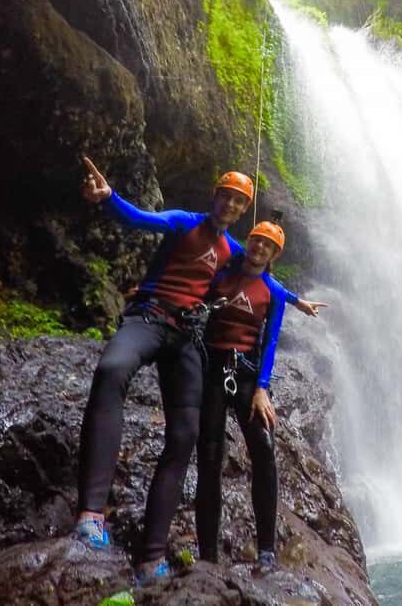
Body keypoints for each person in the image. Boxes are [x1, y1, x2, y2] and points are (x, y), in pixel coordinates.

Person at [73, 158, 324, 584]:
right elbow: (140, 219)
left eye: (239, 201)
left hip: (188, 340)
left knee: (186, 436)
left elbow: (265, 281)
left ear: (244, 210)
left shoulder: (234, 252)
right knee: (112, 370)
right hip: (150, 319)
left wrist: (295, 302)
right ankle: (91, 515)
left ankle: (151, 559)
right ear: (215, 195)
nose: (230, 204)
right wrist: (107, 198)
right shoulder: (184, 223)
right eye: (226, 195)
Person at [195, 219, 298, 574]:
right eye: (256, 241)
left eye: (267, 246)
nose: (259, 248)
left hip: (246, 374)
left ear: (273, 255)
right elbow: (196, 302)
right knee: (208, 455)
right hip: (212, 369)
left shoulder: (273, 291)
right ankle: (207, 554)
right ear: (249, 243)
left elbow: (270, 342)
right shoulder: (222, 274)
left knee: (264, 452)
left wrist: (262, 389)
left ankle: (266, 551)